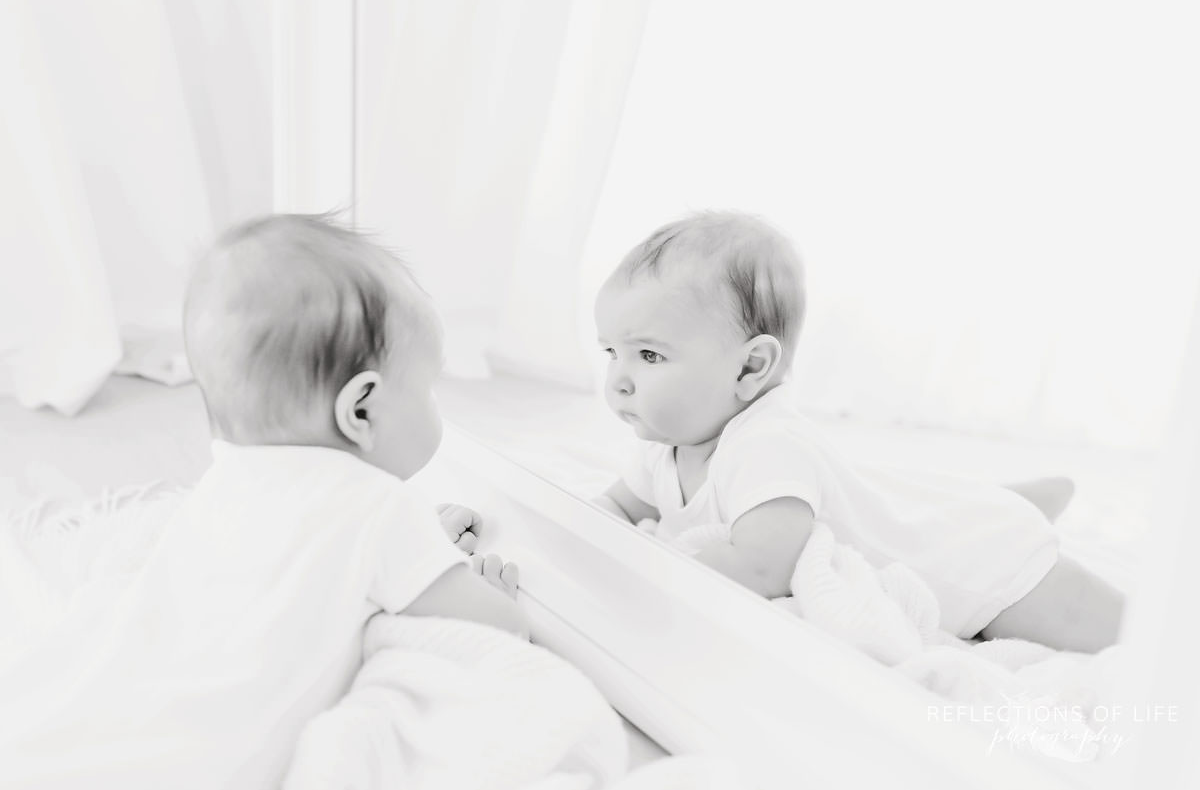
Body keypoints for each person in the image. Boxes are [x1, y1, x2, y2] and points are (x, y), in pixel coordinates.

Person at [0, 213, 524, 788]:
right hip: (212, 766)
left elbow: (312, 562)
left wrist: (421, 554)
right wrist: (483, 590)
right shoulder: (375, 505)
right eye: (426, 388)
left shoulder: (223, 485)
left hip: (111, 728)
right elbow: (495, 629)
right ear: (362, 410)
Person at [593, 210, 1122, 653]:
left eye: (649, 355)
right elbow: (613, 509)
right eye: (611, 352)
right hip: (915, 520)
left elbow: (761, 568)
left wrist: (648, 570)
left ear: (749, 368)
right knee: (897, 500)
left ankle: (1005, 519)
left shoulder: (767, 448)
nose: (617, 380)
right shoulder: (665, 443)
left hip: (975, 569)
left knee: (1125, 639)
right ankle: (997, 501)